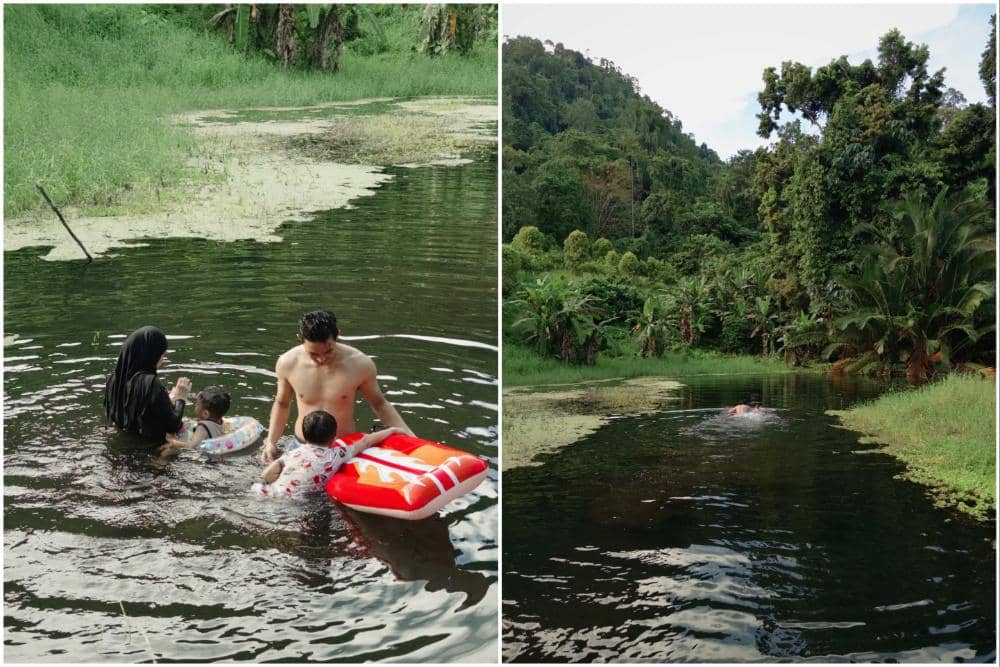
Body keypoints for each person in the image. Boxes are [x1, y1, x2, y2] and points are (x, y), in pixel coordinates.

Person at [260, 310, 413, 463]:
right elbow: (282, 403)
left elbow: (379, 404)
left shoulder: (360, 364)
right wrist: (271, 442)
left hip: (343, 448)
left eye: (328, 351)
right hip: (301, 444)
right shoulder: (288, 363)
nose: (321, 359)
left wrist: (410, 437)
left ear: (338, 335)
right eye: (313, 353)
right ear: (300, 339)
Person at [257, 409, 404, 498]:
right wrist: (392, 430)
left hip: (268, 492)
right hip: (297, 502)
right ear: (334, 438)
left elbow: (266, 474)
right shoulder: (337, 454)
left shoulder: (294, 453)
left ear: (304, 435)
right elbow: (366, 442)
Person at [104, 326, 191, 444]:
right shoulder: (151, 383)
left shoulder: (113, 380)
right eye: (161, 354)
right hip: (149, 452)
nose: (163, 358)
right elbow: (173, 425)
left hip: (120, 446)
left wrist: (168, 398)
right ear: (151, 355)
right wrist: (181, 398)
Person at [158, 386, 230, 456]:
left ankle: (156, 465)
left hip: (206, 461)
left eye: (197, 404)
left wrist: (173, 441)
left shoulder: (203, 427)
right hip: (215, 452)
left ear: (205, 414)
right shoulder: (219, 421)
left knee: (165, 452)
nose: (195, 406)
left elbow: (191, 446)